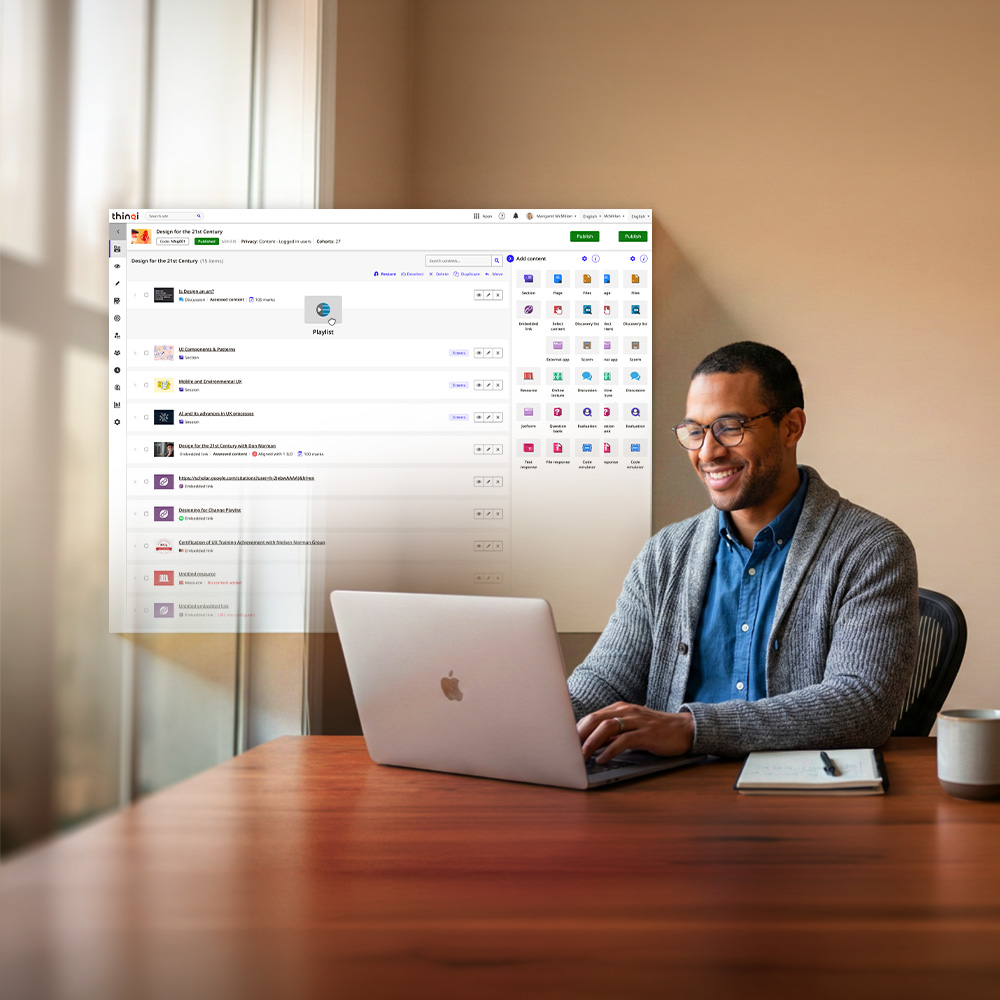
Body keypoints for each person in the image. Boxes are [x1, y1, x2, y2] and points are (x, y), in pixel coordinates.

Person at [571, 342, 919, 761]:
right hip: (670, 798)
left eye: (729, 427)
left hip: (802, 801)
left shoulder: (871, 549)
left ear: (791, 427)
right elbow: (604, 682)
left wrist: (692, 729)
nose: (708, 452)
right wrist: (534, 720)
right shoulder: (664, 555)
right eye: (695, 431)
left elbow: (863, 705)